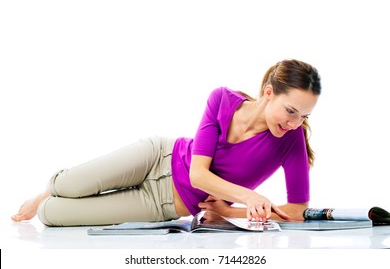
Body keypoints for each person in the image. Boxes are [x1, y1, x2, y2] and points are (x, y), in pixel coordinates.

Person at [11, 58, 321, 226]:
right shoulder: (222, 99)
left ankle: (46, 204)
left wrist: (232, 212)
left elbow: (297, 209)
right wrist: (248, 196)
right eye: (290, 111)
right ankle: (45, 192)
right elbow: (198, 174)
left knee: (53, 216)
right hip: (156, 155)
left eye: (304, 116)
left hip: (162, 204)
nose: (294, 123)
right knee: (65, 186)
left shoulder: (290, 140)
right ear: (269, 93)